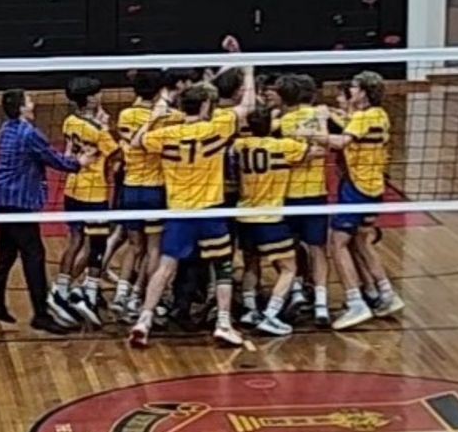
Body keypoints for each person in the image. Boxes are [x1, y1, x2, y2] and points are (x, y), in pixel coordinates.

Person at [129, 68, 256, 349]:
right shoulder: (216, 127)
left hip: (179, 213)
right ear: (207, 105)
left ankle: (144, 320)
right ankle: (223, 323)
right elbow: (247, 106)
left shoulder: (167, 134)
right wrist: (248, 71)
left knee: (166, 267)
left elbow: (137, 142)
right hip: (210, 211)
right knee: (222, 267)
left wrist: (155, 115)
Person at [0, 88, 95, 334]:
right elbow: (54, 161)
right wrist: (79, 163)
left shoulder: (6, 129)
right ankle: (41, 315)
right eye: (29, 100)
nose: (33, 103)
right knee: (34, 255)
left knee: (6, 253)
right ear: (21, 108)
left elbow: (41, 156)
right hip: (18, 203)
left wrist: (68, 156)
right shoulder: (29, 134)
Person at [306, 70, 404, 330]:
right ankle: (387, 294)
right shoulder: (380, 114)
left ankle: (355, 302)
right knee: (362, 240)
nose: (352, 91)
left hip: (357, 188)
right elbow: (352, 124)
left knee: (337, 243)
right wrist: (335, 113)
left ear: (364, 92)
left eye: (356, 87)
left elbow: (341, 142)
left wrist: (312, 132)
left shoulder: (362, 117)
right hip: (375, 186)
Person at [235, 105, 318, 337]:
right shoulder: (285, 146)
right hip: (270, 217)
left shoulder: (240, 145)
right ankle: (271, 314)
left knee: (251, 264)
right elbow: (317, 151)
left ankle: (250, 310)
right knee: (289, 268)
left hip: (244, 215)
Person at [54, 77, 119, 325]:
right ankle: (89, 294)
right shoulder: (98, 131)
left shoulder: (69, 121)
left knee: (75, 241)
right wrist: (106, 126)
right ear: (91, 99)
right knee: (97, 246)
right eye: (97, 93)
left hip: (72, 188)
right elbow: (117, 154)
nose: (101, 96)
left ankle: (61, 291)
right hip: (94, 193)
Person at [276, 73, 335, 328]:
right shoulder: (319, 117)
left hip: (288, 194)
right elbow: (325, 146)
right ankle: (321, 302)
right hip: (315, 193)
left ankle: (297, 290)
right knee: (317, 248)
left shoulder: (284, 122)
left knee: (288, 247)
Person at [112, 69, 170, 319]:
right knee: (154, 248)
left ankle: (120, 295)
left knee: (135, 246)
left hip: (130, 188)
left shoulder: (125, 115)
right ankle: (142, 296)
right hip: (154, 189)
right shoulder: (169, 118)